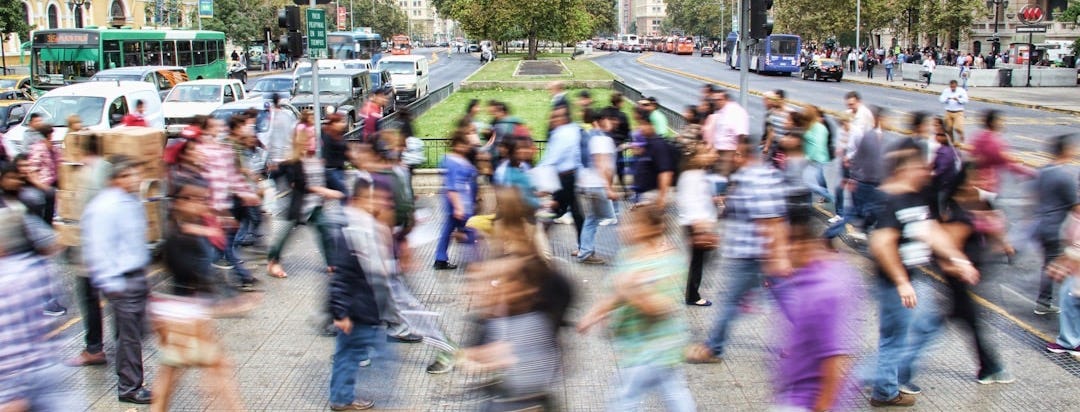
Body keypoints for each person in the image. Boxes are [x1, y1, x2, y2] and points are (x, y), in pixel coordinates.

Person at [867, 145, 979, 407]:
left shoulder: (914, 197)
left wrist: (959, 259)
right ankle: (882, 388)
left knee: (922, 326)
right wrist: (902, 282)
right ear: (905, 170)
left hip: (911, 278)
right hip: (896, 282)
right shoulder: (890, 200)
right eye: (920, 167)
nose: (926, 171)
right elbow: (882, 243)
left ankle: (887, 380)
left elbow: (931, 232)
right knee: (896, 338)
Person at [577, 204, 696, 412]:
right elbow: (616, 294)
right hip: (641, 344)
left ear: (652, 228)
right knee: (673, 390)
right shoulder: (628, 256)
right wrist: (595, 314)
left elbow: (663, 307)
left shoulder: (666, 261)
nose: (622, 230)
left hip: (652, 346)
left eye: (630, 225)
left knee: (625, 397)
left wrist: (633, 291)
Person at [686, 134, 790, 364]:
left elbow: (770, 220)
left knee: (732, 301)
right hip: (752, 253)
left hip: (753, 255)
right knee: (782, 300)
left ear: (742, 155)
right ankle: (804, 344)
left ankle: (714, 348)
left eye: (734, 153)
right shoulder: (754, 175)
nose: (730, 157)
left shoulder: (755, 178)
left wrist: (776, 257)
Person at [151, 178, 247, 412]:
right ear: (179, 202)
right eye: (194, 199)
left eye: (204, 199)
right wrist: (229, 303)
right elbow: (192, 274)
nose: (202, 204)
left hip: (182, 314)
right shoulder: (178, 235)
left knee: (172, 373)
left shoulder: (190, 229)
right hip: (184, 317)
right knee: (217, 370)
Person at [0, 171, 86, 410]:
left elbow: (10, 346)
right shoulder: (38, 269)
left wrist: (11, 393)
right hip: (49, 370)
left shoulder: (7, 280)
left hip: (22, 383)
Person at [770, 199, 860, 412]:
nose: (774, 254)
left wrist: (822, 406)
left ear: (798, 244)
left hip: (807, 402)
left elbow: (836, 359)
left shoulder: (822, 292)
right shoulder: (824, 274)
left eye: (777, 245)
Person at [81, 155, 154, 405]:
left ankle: (131, 379)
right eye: (128, 175)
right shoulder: (105, 207)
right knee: (129, 337)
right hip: (122, 280)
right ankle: (130, 387)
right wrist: (113, 284)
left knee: (132, 334)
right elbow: (99, 249)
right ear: (116, 179)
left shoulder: (132, 201)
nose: (135, 179)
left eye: (135, 173)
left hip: (135, 276)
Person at [329, 179, 388, 411]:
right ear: (358, 201)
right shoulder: (351, 232)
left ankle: (341, 396)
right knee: (349, 354)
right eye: (372, 199)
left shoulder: (365, 227)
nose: (377, 204)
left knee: (350, 353)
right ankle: (341, 398)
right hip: (355, 309)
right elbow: (340, 277)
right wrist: (340, 312)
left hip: (363, 306)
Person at [266, 128, 344, 279]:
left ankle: (332, 263)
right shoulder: (294, 162)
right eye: (310, 139)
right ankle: (273, 261)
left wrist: (330, 191)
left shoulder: (316, 161)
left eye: (314, 139)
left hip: (314, 205)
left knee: (325, 229)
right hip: (299, 205)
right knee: (286, 235)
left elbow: (324, 179)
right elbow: (299, 184)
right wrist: (324, 191)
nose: (314, 142)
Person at [64, 134, 114, 367]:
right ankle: (121, 343)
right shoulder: (109, 168)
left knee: (89, 298)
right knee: (113, 298)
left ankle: (94, 348)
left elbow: (84, 215)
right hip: (110, 251)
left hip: (92, 253)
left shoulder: (87, 174)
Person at [1032, 135, 1078, 317]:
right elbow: (1077, 207)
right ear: (1066, 151)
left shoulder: (1044, 170)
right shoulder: (1065, 177)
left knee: (1050, 264)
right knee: (1061, 265)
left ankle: (1044, 300)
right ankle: (1048, 301)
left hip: (1042, 224)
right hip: (1055, 228)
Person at [537, 106, 585, 248]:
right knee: (569, 211)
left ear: (564, 118)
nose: (553, 120)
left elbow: (552, 157)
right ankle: (584, 247)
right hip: (566, 177)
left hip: (565, 177)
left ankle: (537, 238)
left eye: (557, 117)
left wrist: (538, 173)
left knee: (561, 210)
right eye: (553, 117)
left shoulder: (563, 133)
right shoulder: (572, 130)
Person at [677, 144, 718, 307]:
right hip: (696, 224)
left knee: (700, 260)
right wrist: (699, 227)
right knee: (698, 261)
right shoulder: (692, 176)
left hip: (699, 223)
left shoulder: (697, 174)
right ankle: (692, 295)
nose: (711, 154)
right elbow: (690, 202)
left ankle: (692, 292)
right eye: (706, 152)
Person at [576, 109, 618, 265]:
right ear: (601, 121)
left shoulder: (588, 136)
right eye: (609, 120)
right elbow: (602, 165)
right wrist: (608, 188)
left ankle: (584, 251)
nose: (612, 123)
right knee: (612, 218)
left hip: (586, 183)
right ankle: (588, 252)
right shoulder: (601, 139)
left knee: (592, 218)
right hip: (598, 185)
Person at [434, 132, 478, 270]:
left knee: (448, 230)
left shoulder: (454, 160)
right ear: (457, 145)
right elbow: (452, 186)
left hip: (459, 202)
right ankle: (473, 261)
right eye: (464, 144)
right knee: (470, 229)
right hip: (459, 203)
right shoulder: (454, 162)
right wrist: (459, 207)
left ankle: (440, 258)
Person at [628, 109, 675, 209]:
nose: (640, 128)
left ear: (652, 125)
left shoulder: (658, 145)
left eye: (643, 124)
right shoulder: (649, 143)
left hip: (653, 195)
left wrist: (662, 197)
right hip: (646, 194)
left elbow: (665, 172)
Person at [702, 89, 749, 176]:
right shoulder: (721, 111)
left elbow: (741, 135)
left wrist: (738, 154)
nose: (715, 102)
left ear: (726, 99)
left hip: (729, 152)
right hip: (718, 151)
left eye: (718, 100)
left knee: (724, 177)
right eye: (714, 100)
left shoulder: (735, 111)